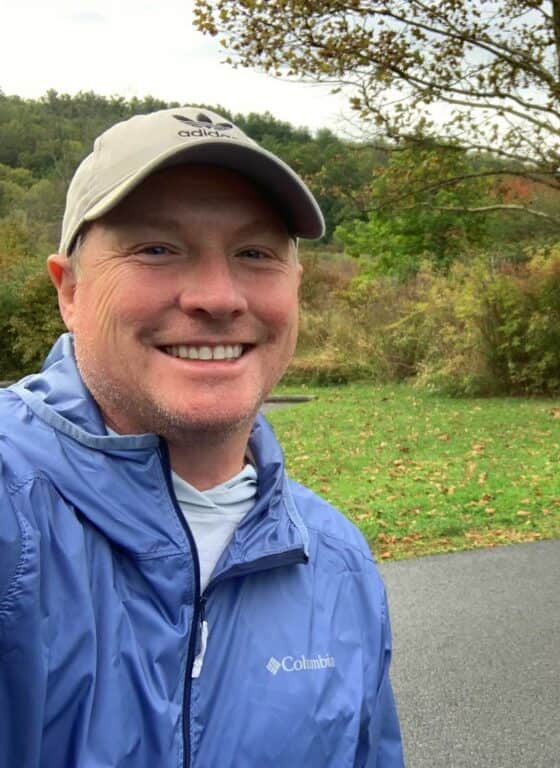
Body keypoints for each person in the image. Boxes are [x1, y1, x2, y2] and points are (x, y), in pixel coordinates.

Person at [0, 108, 404, 767]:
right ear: (69, 290)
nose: (218, 297)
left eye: (255, 254)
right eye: (157, 248)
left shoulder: (337, 561)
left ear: (296, 289)